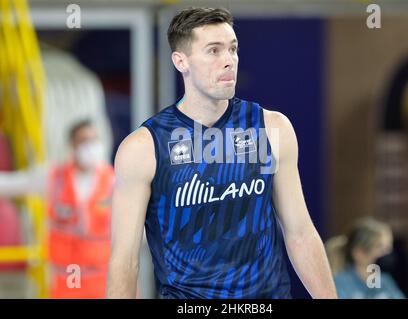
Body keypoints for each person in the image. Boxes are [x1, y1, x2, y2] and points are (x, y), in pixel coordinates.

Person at [107, 7, 336, 299]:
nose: (228, 61)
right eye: (213, 51)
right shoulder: (143, 148)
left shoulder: (271, 127)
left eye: (233, 49)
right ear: (181, 61)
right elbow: (125, 260)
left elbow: (300, 232)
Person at [0, 119, 114, 298]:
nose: (91, 147)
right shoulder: (54, 179)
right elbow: (13, 184)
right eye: (85, 141)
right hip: (69, 280)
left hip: (103, 281)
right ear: (73, 146)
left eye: (94, 140)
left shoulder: (112, 182)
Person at [325, 217, 405, 299]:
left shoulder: (386, 282)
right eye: (380, 247)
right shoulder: (340, 283)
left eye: (388, 247)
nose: (387, 253)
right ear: (359, 253)